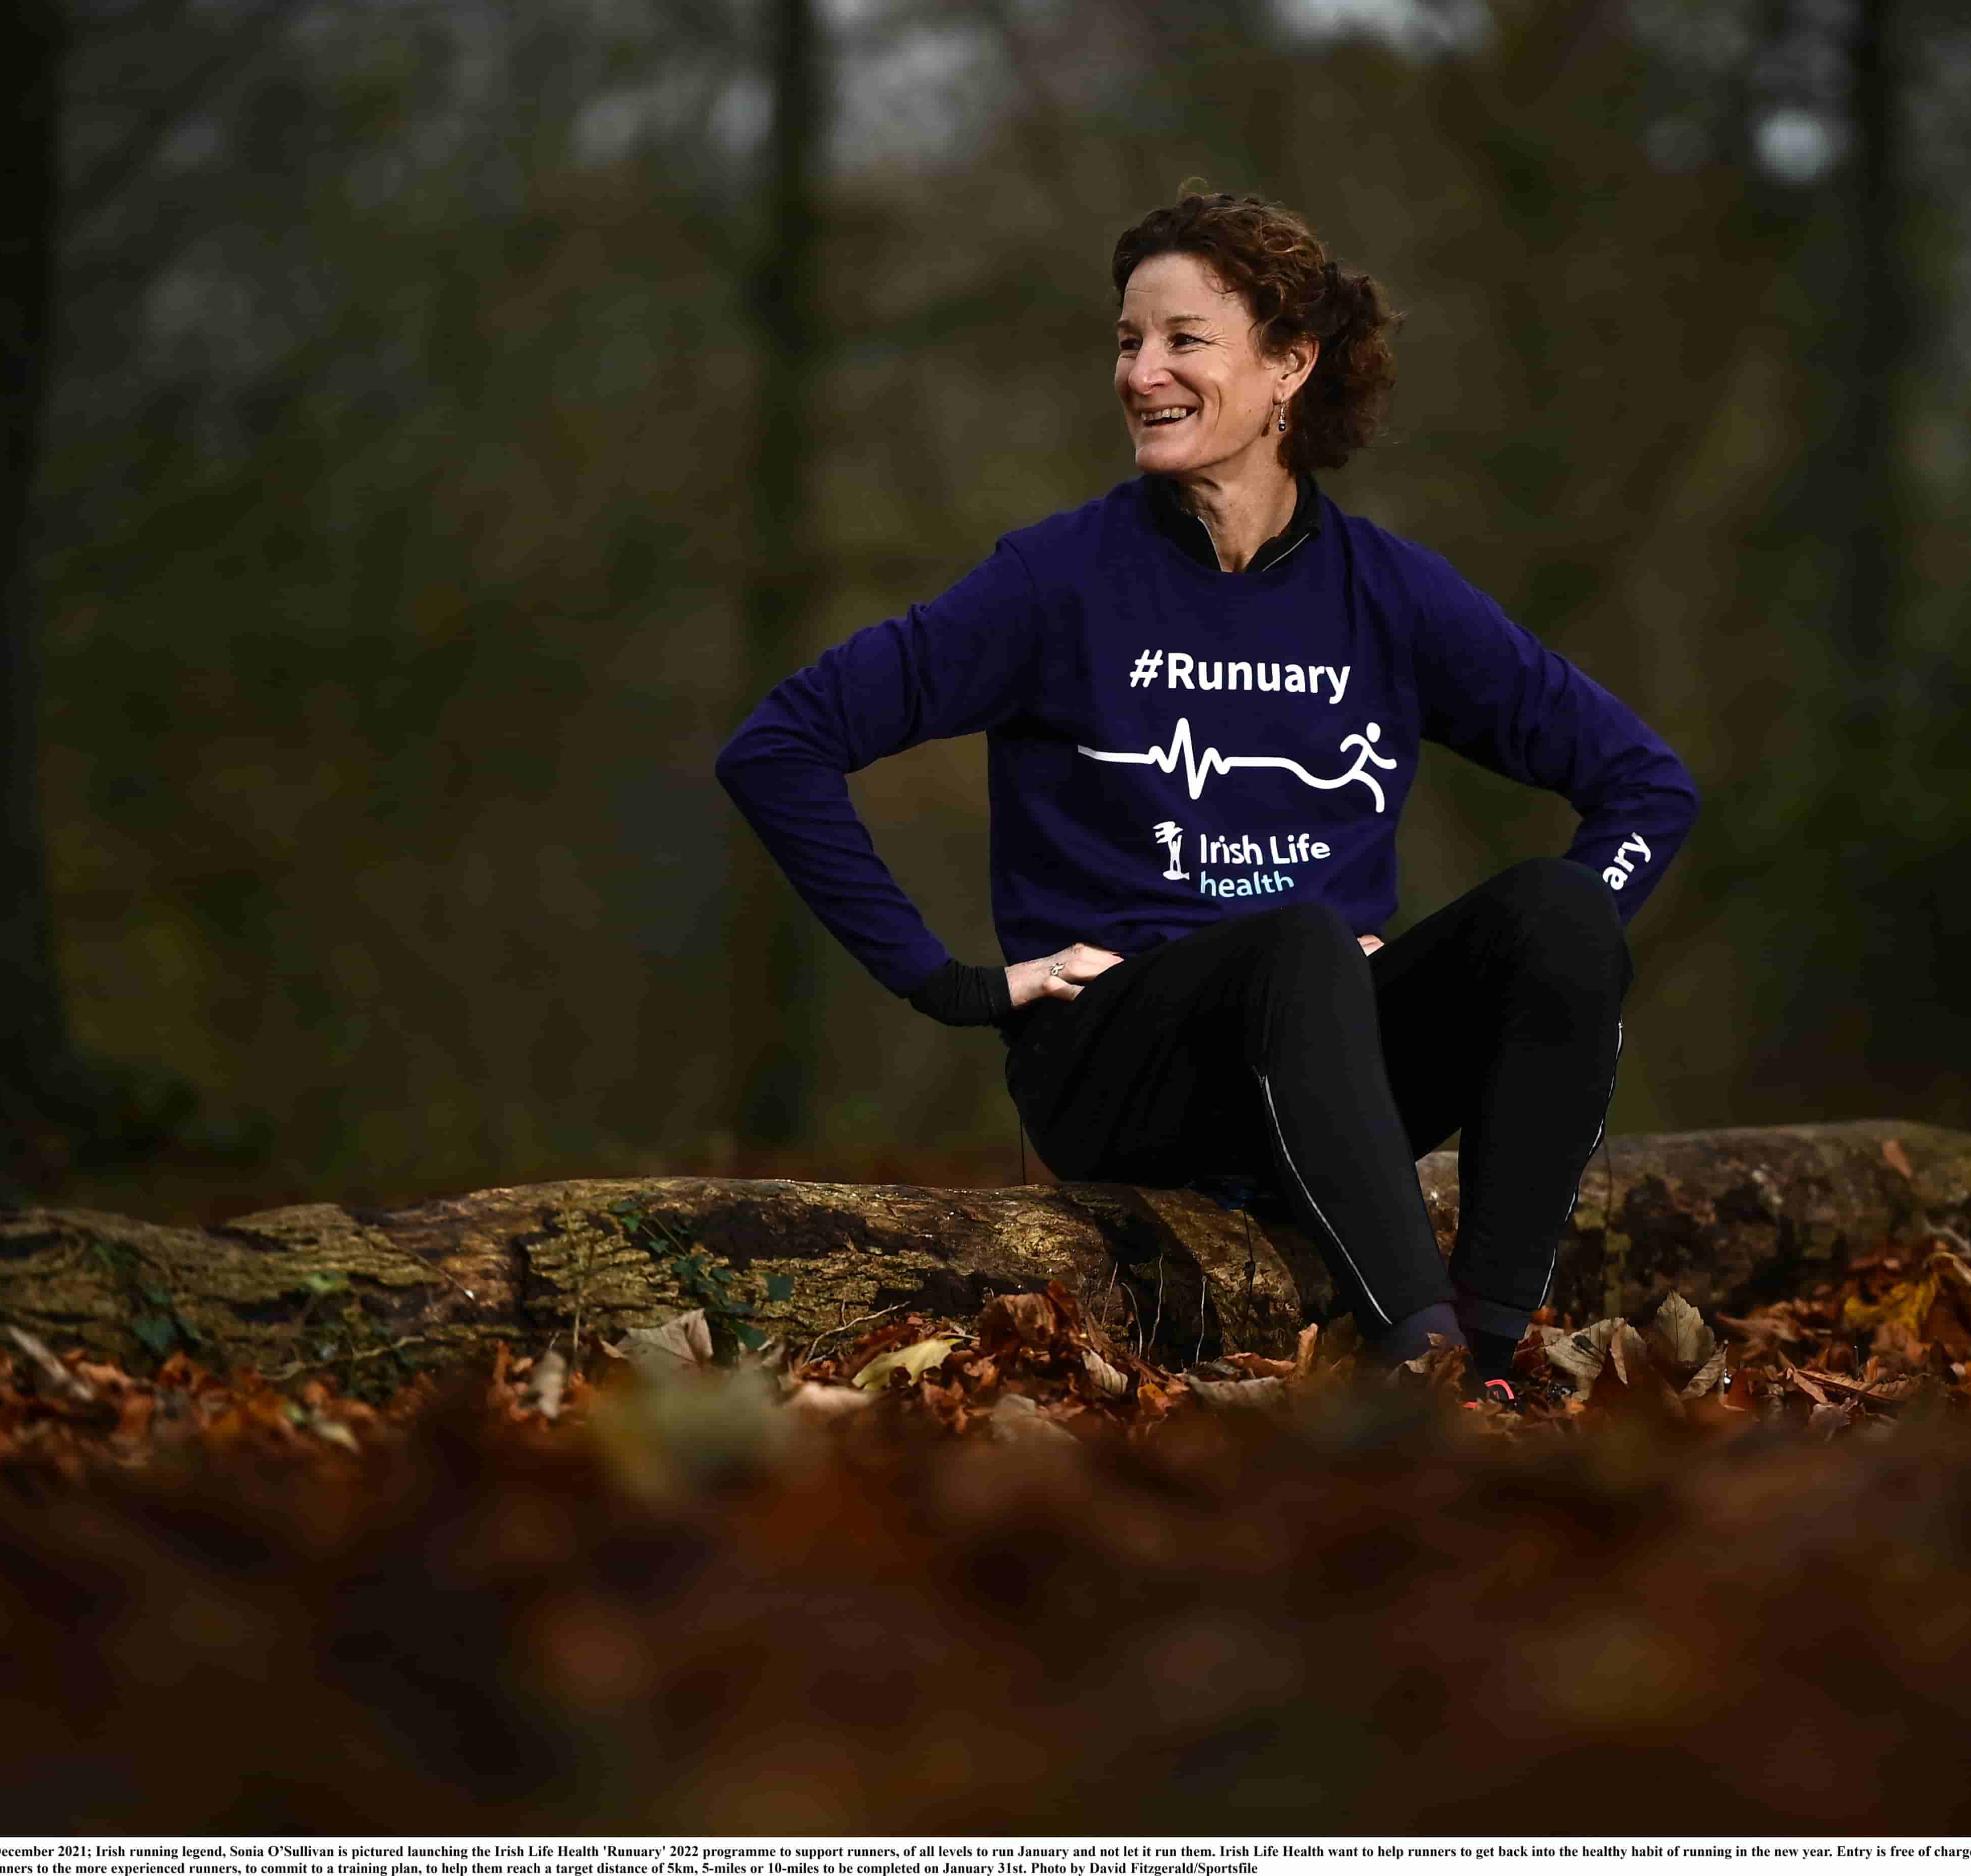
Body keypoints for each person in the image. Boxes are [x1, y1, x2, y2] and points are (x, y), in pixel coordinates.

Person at [716, 189, 1698, 1399]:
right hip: (1120, 1065)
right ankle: (1423, 1359)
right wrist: (948, 978)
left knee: (1556, 915)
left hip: (1333, 1068)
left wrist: (1559, 946)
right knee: (1294, 943)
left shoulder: (1390, 593)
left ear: (1291, 365)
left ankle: (1492, 1348)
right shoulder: (1057, 581)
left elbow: (1647, 787)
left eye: (1184, 339)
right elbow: (781, 743)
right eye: (1127, 341)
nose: (1141, 372)